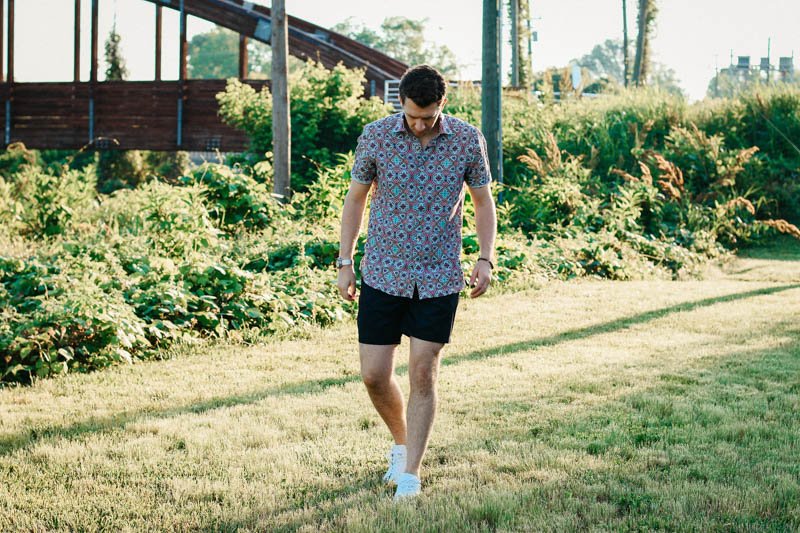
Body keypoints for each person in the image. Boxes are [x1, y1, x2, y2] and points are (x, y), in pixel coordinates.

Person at [336, 64, 497, 501]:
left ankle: (410, 475)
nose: (420, 124)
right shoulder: (376, 136)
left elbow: (483, 202)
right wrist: (345, 260)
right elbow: (355, 199)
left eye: (427, 116)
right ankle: (402, 442)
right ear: (401, 103)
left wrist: (485, 257)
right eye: (412, 116)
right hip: (383, 272)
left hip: (440, 275)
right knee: (373, 375)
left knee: (423, 372)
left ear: (442, 104)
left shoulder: (467, 139)